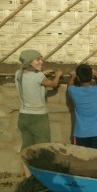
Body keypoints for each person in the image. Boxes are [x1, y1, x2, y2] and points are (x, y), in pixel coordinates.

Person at [15, 49, 63, 178]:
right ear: (29, 63)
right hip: (38, 118)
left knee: (26, 149)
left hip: (23, 116)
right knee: (43, 149)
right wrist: (58, 75)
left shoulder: (18, 74)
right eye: (38, 60)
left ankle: (28, 178)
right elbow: (53, 84)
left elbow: (32, 78)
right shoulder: (38, 77)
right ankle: (42, 179)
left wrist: (42, 72)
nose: (41, 61)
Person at [67, 64, 97, 150]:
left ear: (78, 78)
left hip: (80, 134)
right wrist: (96, 75)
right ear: (91, 76)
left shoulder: (74, 92)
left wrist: (73, 75)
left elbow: (69, 85)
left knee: (81, 161)